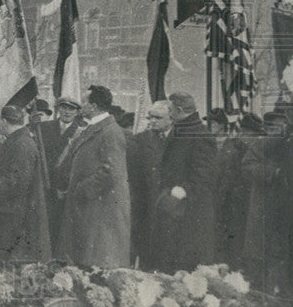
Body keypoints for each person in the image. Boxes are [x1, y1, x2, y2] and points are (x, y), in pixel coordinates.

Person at [55, 85, 131, 269]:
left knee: (94, 263)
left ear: (93, 106)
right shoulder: (94, 128)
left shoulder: (110, 132)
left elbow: (111, 172)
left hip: (98, 210)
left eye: (83, 102)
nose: (80, 106)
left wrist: (81, 190)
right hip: (88, 208)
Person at [148, 92, 218, 273]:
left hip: (189, 212)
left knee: (184, 267)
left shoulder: (200, 135)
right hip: (175, 210)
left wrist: (182, 190)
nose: (169, 114)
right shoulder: (183, 130)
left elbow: (204, 175)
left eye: (171, 110)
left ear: (179, 110)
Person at [0, 105, 51, 263]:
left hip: (14, 219)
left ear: (3, 121)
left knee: (7, 264)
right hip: (10, 215)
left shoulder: (21, 143)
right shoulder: (18, 141)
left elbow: (17, 183)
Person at [241, 108, 293, 302]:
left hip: (290, 204)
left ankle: (285, 290)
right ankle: (265, 290)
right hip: (266, 202)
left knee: (285, 246)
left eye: (282, 126)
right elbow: (248, 165)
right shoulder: (262, 144)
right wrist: (273, 172)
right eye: (274, 127)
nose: (278, 130)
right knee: (263, 247)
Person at [125, 100, 171, 269]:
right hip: (145, 207)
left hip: (170, 206)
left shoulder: (180, 140)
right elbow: (131, 175)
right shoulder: (139, 141)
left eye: (158, 117)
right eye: (150, 117)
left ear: (171, 118)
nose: (152, 121)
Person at [215, 112, 262, 270]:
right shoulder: (235, 148)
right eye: (244, 133)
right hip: (234, 200)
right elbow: (227, 175)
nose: (244, 136)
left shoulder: (247, 148)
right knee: (233, 235)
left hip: (244, 200)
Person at [37, 96, 82, 246]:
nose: (67, 112)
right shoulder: (43, 127)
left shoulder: (81, 132)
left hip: (64, 186)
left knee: (60, 224)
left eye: (71, 109)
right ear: (58, 109)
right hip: (44, 183)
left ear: (77, 112)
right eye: (64, 107)